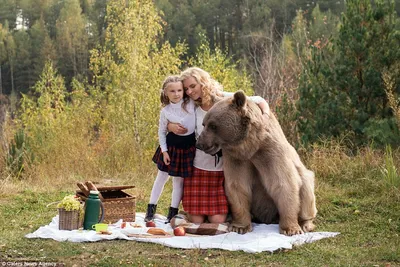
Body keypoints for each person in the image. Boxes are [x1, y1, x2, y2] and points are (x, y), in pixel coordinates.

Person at [168, 67, 269, 224]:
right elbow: (168, 113)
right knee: (196, 219)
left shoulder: (223, 100)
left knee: (217, 219)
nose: (189, 92)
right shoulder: (189, 105)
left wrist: (266, 116)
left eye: (192, 86)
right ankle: (187, 213)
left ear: (203, 83)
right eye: (186, 88)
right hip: (197, 167)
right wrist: (170, 127)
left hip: (219, 169)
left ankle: (231, 213)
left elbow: (258, 100)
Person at [145, 75, 197, 223]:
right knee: (161, 178)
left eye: (179, 90)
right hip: (171, 147)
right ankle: (151, 209)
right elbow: (161, 132)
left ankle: (172, 212)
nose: (176, 94)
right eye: (172, 91)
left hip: (187, 148)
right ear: (166, 93)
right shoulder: (166, 111)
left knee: (178, 182)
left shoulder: (191, 104)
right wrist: (164, 151)